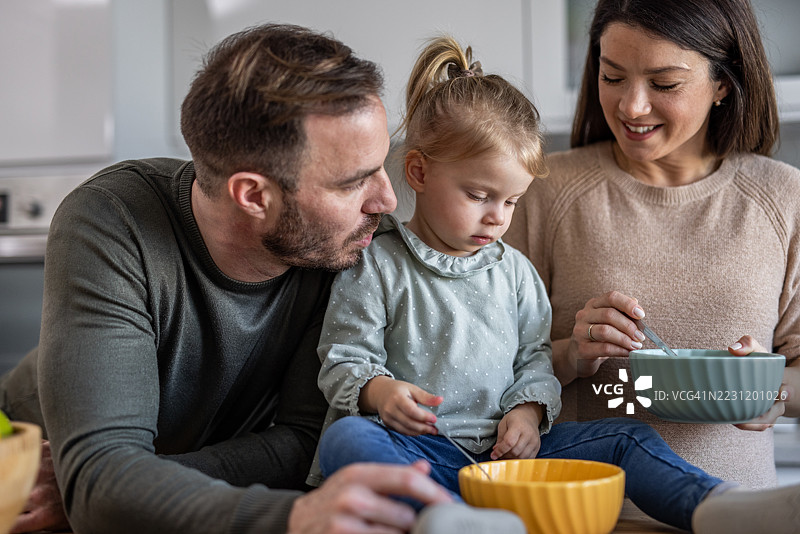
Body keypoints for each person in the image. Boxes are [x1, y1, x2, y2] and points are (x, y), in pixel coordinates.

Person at [310, 35, 800, 534]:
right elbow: (344, 357)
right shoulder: (375, 262)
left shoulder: (514, 271)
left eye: (512, 201)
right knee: (347, 438)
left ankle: (713, 506)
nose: (496, 218)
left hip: (512, 464)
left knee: (625, 438)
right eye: (479, 195)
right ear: (417, 171)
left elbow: (534, 362)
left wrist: (525, 414)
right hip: (418, 453)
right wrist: (380, 393)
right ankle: (443, 514)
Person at [0, 23, 456, 534]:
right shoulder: (112, 219)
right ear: (254, 196)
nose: (386, 201)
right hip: (22, 482)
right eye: (353, 182)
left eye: (380, 167)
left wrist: (127, 490)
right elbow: (101, 489)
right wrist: (294, 516)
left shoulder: (344, 245)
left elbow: (304, 440)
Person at [504, 0, 800, 491]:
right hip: (582, 514)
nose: (631, 106)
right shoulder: (543, 193)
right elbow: (480, 364)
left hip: (737, 518)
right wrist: (570, 355)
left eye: (664, 84)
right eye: (612, 75)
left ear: (723, 83)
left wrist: (770, 388)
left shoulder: (784, 200)